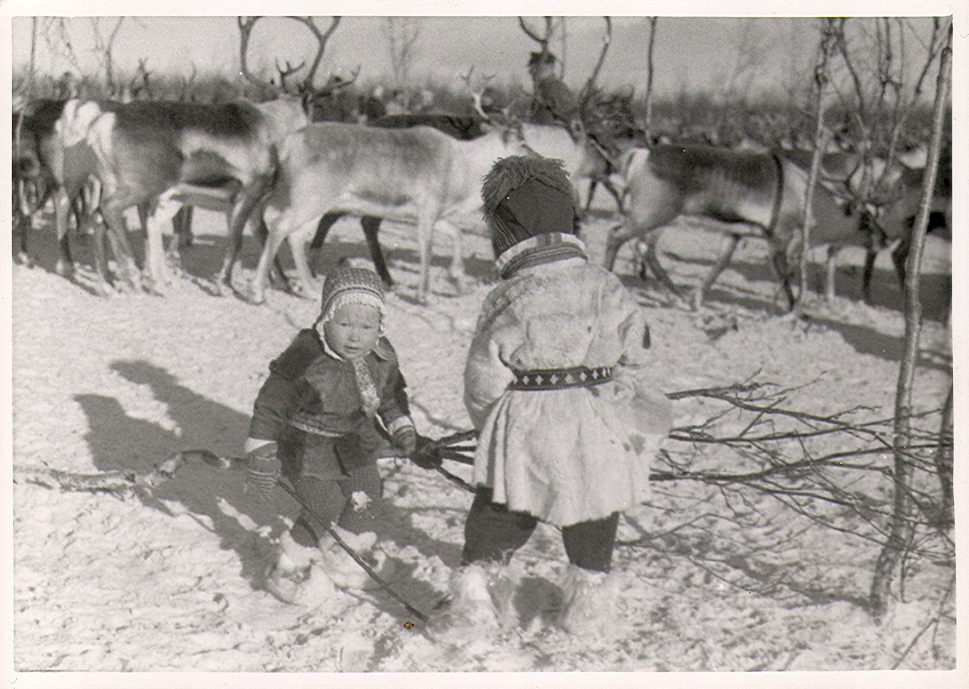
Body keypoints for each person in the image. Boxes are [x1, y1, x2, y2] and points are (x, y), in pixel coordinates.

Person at [448, 155, 672, 636]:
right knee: (594, 505)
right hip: (594, 416)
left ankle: (478, 594)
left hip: (526, 418)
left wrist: (490, 425)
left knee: (505, 504)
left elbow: (483, 374)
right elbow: (637, 350)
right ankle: (588, 603)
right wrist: (619, 391)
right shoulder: (606, 284)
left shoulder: (508, 297)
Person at [243, 266, 418, 604]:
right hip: (307, 441)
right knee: (323, 503)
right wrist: (262, 448)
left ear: (379, 327)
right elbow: (270, 404)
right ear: (326, 319)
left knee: (366, 492)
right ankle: (288, 564)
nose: (355, 337)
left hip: (355, 439)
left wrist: (401, 426)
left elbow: (390, 396)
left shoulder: (380, 356)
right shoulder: (307, 357)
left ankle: (345, 552)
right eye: (345, 324)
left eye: (366, 327)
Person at [527, 51, 579, 128]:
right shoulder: (544, 88)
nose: (530, 72)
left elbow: (571, 117)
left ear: (546, 67)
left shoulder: (554, 87)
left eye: (534, 68)